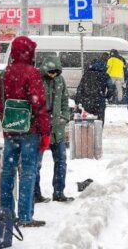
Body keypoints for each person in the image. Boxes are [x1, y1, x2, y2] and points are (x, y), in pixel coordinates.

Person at [0, 36, 51, 227]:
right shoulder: (32, 73)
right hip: (31, 130)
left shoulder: (4, 74)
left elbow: (1, 104)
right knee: (28, 172)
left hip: (11, 129)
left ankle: (5, 214)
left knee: (7, 172)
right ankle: (25, 216)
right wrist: (45, 131)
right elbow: (39, 104)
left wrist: (8, 124)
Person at [34, 55, 73, 203]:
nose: (53, 74)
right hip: (40, 128)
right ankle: (36, 193)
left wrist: (64, 117)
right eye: (50, 71)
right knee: (36, 163)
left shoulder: (60, 80)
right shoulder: (37, 80)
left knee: (61, 160)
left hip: (58, 128)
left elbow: (64, 99)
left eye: (56, 72)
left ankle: (59, 191)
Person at [75, 58, 115, 123]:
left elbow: (80, 88)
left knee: (86, 122)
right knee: (99, 121)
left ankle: (88, 132)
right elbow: (111, 88)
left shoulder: (86, 74)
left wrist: (77, 100)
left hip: (86, 101)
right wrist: (107, 96)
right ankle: (99, 132)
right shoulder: (105, 75)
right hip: (99, 101)